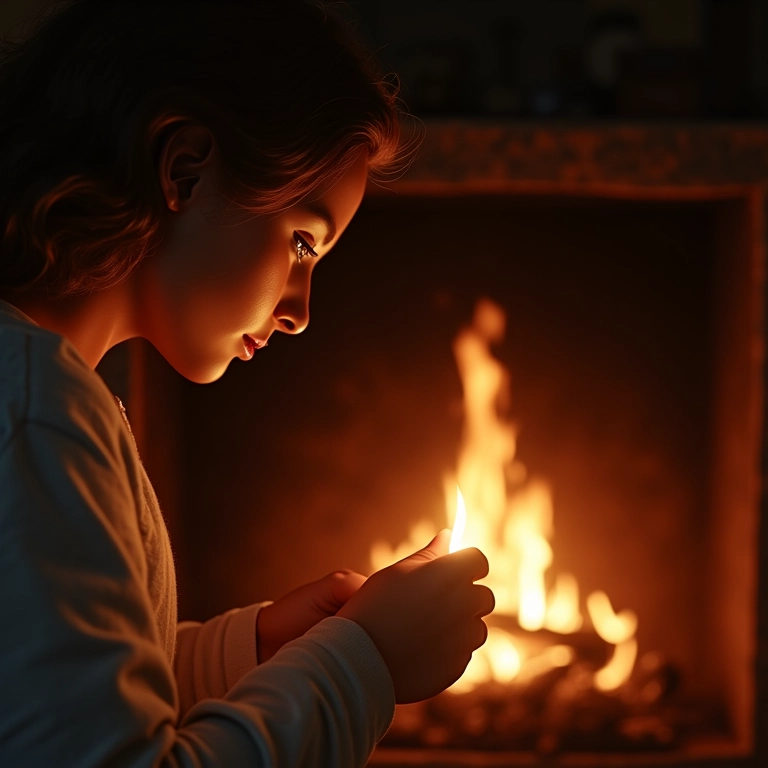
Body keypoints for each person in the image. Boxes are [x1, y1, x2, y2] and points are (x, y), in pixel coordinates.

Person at [0, 1, 495, 765]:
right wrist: (364, 661)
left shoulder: (38, 391)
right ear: (185, 170)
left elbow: (63, 696)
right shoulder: (37, 412)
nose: (300, 313)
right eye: (302, 244)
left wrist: (255, 649)